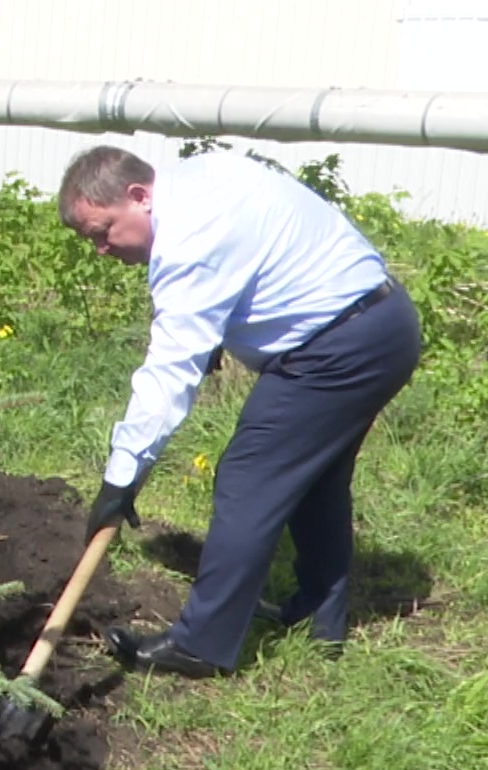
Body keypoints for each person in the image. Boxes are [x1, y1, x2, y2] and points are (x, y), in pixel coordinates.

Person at [60, 145, 422, 679]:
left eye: (102, 230)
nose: (100, 248)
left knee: (247, 477)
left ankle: (201, 646)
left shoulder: (187, 242)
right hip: (381, 321)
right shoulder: (205, 175)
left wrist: (123, 475)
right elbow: (257, 252)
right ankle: (319, 620)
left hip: (336, 348)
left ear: (139, 196)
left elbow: (168, 371)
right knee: (313, 479)